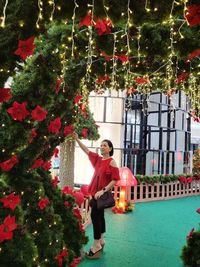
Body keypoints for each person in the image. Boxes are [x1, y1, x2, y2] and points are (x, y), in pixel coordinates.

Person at [72, 132, 120, 259]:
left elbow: (115, 179)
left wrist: (103, 190)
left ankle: (96, 244)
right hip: (94, 193)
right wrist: (77, 139)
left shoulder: (112, 162)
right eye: (101, 145)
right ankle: (101, 241)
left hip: (100, 194)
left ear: (110, 148)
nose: (102, 147)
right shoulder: (98, 160)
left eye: (105, 145)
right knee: (100, 216)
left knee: (95, 216)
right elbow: (86, 151)